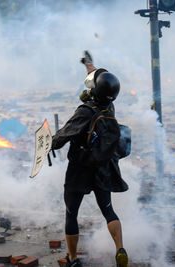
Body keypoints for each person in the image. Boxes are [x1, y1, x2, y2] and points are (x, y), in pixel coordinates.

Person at [52, 51, 129, 267]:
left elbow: (62, 137)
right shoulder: (110, 106)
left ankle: (73, 259)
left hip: (80, 169)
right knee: (108, 209)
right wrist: (89, 64)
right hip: (103, 167)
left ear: (93, 92)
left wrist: (47, 142)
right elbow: (99, 79)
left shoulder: (85, 111)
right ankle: (120, 249)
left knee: (71, 213)